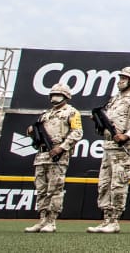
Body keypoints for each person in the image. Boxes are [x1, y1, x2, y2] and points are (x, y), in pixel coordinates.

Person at [87, 67, 130, 233]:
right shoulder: (114, 99)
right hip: (108, 145)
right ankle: (106, 219)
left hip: (124, 148)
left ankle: (114, 220)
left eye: (124, 77)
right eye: (121, 77)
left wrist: (127, 135)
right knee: (104, 184)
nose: (120, 80)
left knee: (118, 184)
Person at [23, 83, 83, 233]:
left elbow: (77, 132)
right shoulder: (45, 114)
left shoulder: (72, 112)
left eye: (59, 94)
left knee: (54, 189)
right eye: (53, 94)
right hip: (41, 155)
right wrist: (31, 131)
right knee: (41, 189)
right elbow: (36, 133)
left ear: (66, 96)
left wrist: (61, 147)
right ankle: (42, 220)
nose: (55, 97)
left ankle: (51, 221)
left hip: (58, 155)